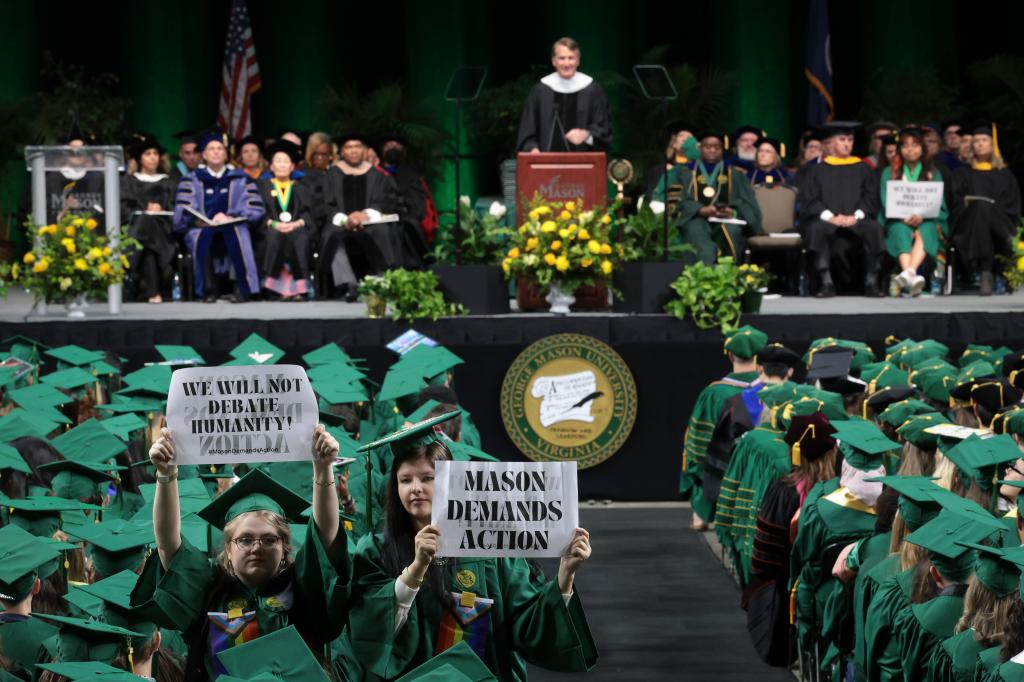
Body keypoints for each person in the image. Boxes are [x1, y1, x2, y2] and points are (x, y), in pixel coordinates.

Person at [345, 413, 598, 680]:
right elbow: (371, 632)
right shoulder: (375, 549)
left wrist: (565, 575)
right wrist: (416, 568)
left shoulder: (490, 544)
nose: (416, 488)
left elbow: (526, 625)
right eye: (406, 480)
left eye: (427, 478)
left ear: (450, 481)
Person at [134, 424, 347, 681]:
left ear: (284, 547)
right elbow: (168, 544)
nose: (257, 547)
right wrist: (166, 475)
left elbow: (325, 536)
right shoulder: (209, 590)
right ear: (228, 547)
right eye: (245, 539)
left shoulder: (300, 589)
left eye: (269, 540)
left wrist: (323, 468)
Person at [743, 411, 839, 667]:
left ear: (794, 451)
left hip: (790, 590)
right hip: (834, 590)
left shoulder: (782, 492)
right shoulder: (844, 494)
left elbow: (765, 558)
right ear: (833, 452)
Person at [680, 325, 767, 530]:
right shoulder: (771, 391)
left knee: (707, 457)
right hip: (759, 471)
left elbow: (697, 443)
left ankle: (702, 514)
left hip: (720, 470)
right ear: (760, 357)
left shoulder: (714, 393)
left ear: (729, 355)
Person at [172, 129, 265, 302]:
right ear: (204, 155)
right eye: (211, 149)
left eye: (220, 149)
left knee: (238, 233)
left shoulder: (240, 178)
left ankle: (241, 288)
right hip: (201, 226)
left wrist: (231, 217)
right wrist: (198, 220)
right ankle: (208, 289)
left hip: (233, 224)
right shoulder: (191, 180)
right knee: (200, 236)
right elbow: (183, 208)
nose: (216, 152)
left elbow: (253, 207)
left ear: (226, 155)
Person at [798, 122, 886, 297]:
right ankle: (826, 283)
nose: (847, 144)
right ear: (831, 143)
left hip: (857, 219)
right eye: (842, 139)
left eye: (850, 140)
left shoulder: (863, 168)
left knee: (874, 228)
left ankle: (871, 282)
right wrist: (830, 217)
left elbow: (871, 196)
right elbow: (810, 199)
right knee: (816, 228)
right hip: (828, 220)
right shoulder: (817, 170)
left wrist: (856, 216)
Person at [652, 130, 762, 265]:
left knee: (730, 232)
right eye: (708, 146)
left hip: (727, 220)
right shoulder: (683, 172)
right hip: (694, 219)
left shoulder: (736, 175)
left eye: (717, 147)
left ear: (723, 149)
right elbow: (673, 200)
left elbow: (749, 205)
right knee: (698, 237)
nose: (712, 150)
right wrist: (699, 210)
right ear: (700, 148)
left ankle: (730, 277)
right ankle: (701, 278)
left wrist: (732, 212)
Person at [320, 133, 409, 296]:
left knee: (383, 231)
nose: (353, 151)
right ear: (341, 152)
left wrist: (365, 215)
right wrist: (346, 220)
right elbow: (324, 204)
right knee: (331, 235)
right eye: (349, 147)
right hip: (341, 223)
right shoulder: (331, 175)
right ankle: (348, 283)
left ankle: (382, 280)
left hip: (371, 222)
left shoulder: (378, 175)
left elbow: (387, 202)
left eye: (358, 147)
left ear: (366, 151)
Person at [949, 121, 1021, 295]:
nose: (980, 144)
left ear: (993, 144)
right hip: (969, 225)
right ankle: (1012, 245)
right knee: (981, 207)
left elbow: (1013, 205)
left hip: (1000, 221)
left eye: (984, 140)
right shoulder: (962, 173)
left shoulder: (1005, 175)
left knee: (986, 209)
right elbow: (955, 204)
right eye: (976, 141)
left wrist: (991, 209)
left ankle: (986, 271)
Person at [880, 127, 948, 297]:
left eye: (915, 145)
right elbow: (885, 200)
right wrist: (902, 217)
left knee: (927, 229)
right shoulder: (889, 172)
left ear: (922, 148)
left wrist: (922, 216)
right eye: (905, 146)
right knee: (900, 230)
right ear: (900, 150)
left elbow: (937, 203)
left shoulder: (933, 173)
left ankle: (908, 273)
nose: (910, 150)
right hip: (898, 220)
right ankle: (912, 277)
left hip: (926, 220)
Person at [516, 37, 612, 153]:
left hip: (584, 165)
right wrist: (532, 149)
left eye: (571, 58)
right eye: (562, 58)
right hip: (546, 165)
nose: (566, 63)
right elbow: (528, 129)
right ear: (554, 61)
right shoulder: (540, 91)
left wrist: (586, 135)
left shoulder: (592, 90)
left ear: (578, 61)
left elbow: (604, 129)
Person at [121, 135, 178, 304]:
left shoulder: (169, 183)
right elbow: (123, 208)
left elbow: (176, 208)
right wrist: (143, 211)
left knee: (148, 231)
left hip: (163, 230)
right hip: (137, 228)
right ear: (140, 158)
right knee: (146, 229)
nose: (153, 157)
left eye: (155, 153)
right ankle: (154, 292)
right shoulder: (129, 182)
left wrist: (161, 209)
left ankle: (131, 272)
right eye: (148, 154)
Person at [256, 141, 315, 301]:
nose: (282, 165)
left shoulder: (301, 187)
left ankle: (300, 288)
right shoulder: (263, 187)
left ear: (292, 166)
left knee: (300, 237)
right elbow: (258, 212)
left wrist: (295, 224)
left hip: (297, 228)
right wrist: (274, 224)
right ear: (271, 167)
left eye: (286, 161)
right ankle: (272, 287)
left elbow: (309, 213)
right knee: (273, 236)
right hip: (271, 228)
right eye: (278, 161)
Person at [379, 135, 437, 249]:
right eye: (389, 146)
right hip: (380, 220)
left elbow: (418, 204)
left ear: (404, 151)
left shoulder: (412, 175)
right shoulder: (376, 173)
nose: (393, 148)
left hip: (407, 220)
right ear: (382, 150)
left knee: (411, 226)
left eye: (397, 146)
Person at [641, 120, 699, 205]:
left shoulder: (699, 169)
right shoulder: (659, 171)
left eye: (689, 137)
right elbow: (650, 197)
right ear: (674, 143)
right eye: (681, 135)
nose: (685, 139)